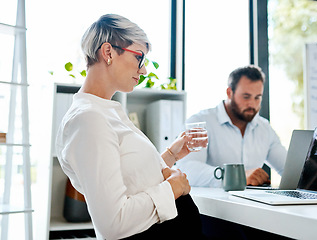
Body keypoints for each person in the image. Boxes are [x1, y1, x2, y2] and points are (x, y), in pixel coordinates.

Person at [55, 14, 207, 240]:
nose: (143, 70)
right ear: (108, 53)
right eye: (139, 57)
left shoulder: (104, 111)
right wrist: (174, 188)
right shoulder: (88, 119)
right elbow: (114, 223)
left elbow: (131, 180)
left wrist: (171, 154)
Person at [176, 65, 287, 187]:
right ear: (229, 92)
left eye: (257, 98)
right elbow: (188, 170)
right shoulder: (201, 122)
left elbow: (287, 168)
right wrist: (235, 177)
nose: (252, 104)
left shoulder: (264, 128)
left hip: (255, 204)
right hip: (211, 205)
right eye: (246, 97)